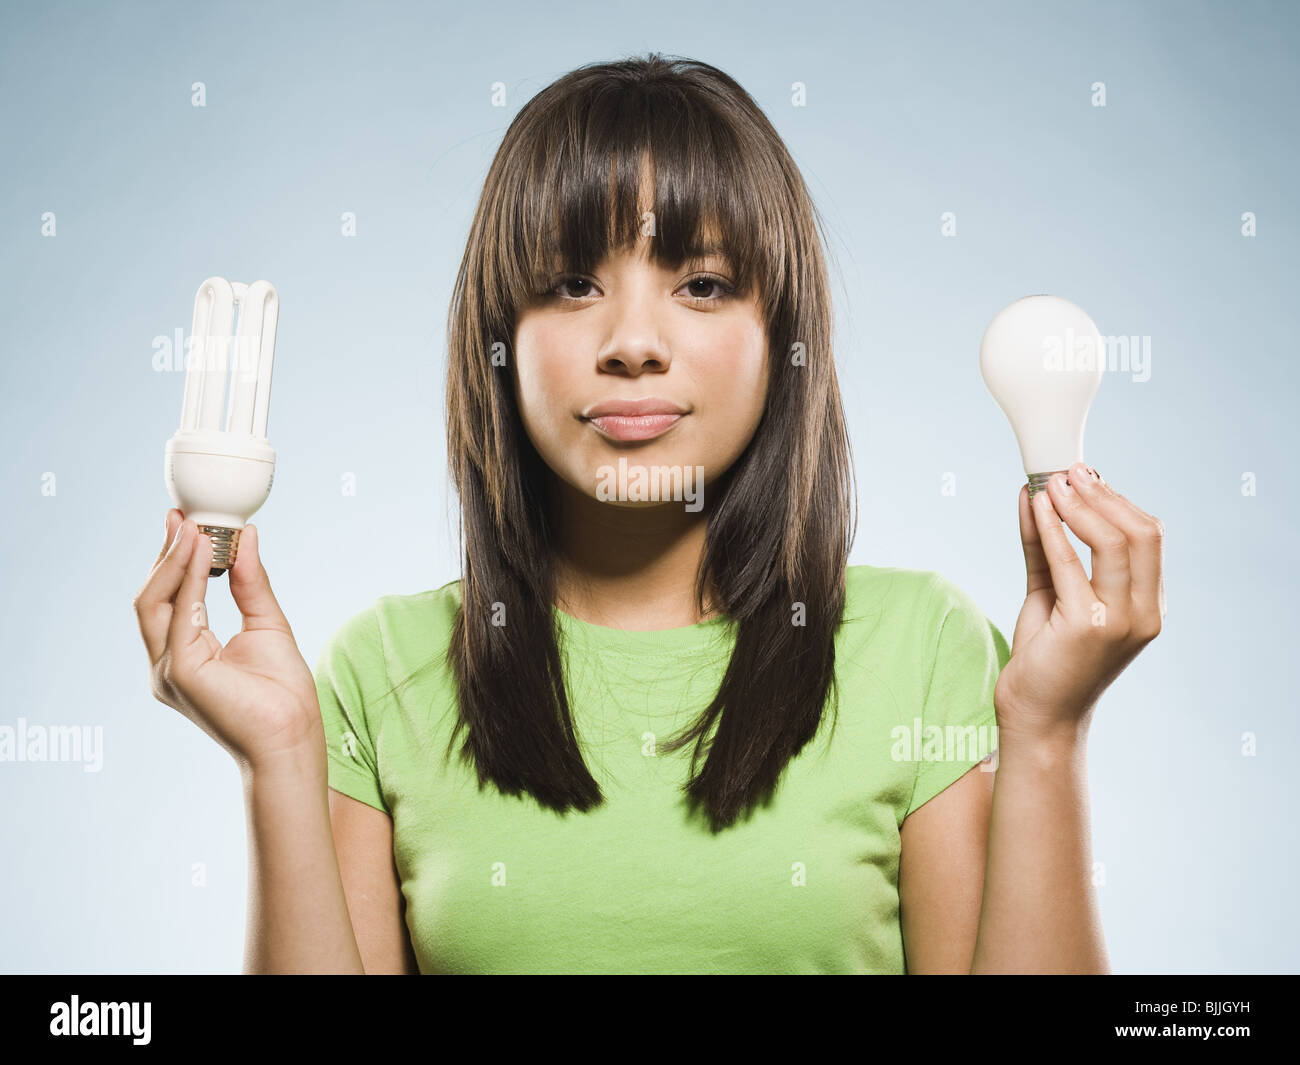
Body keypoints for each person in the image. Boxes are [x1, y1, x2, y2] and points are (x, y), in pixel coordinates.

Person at [133, 53, 1166, 975]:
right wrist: (279, 760)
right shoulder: (378, 672)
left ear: (781, 338)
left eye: (703, 284)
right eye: (572, 284)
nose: (633, 341)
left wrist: (1046, 733)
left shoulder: (925, 649)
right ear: (497, 340)